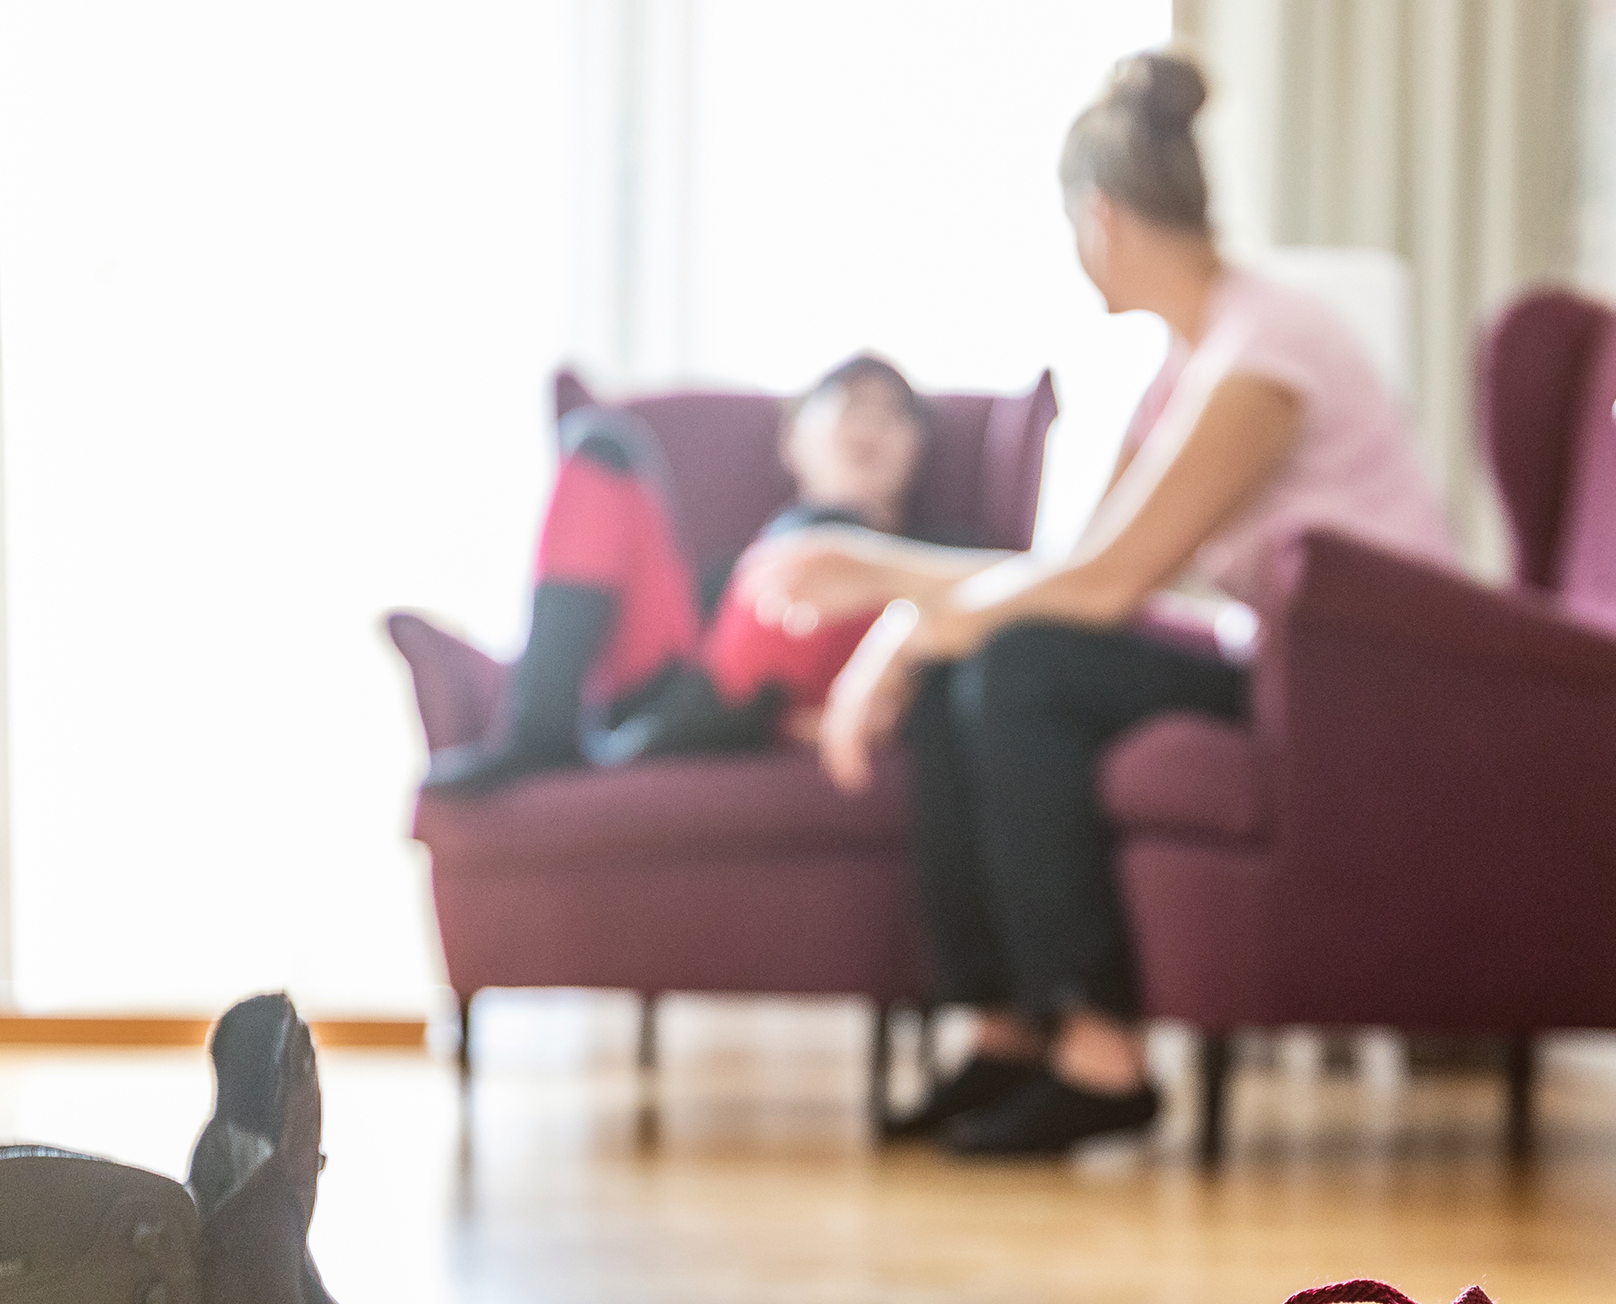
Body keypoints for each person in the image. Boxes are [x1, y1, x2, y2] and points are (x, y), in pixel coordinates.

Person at [736, 52, 1456, 1157]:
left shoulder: (1263, 350)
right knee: (975, 665)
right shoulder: (1188, 364)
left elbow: (1103, 586)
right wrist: (905, 623)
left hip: (1365, 684)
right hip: (1279, 665)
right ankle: (1004, 1029)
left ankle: (1101, 1053)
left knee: (1019, 666)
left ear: (1099, 217)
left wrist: (880, 583)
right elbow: (1063, 565)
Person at [428, 353, 937, 793]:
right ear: (792, 441)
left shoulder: (949, 561)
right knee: (599, 445)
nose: (870, 427)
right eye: (849, 407)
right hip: (671, 686)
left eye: (894, 416)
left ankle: (644, 746)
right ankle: (540, 735)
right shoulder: (732, 575)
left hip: (766, 701)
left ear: (918, 450)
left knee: (831, 540)